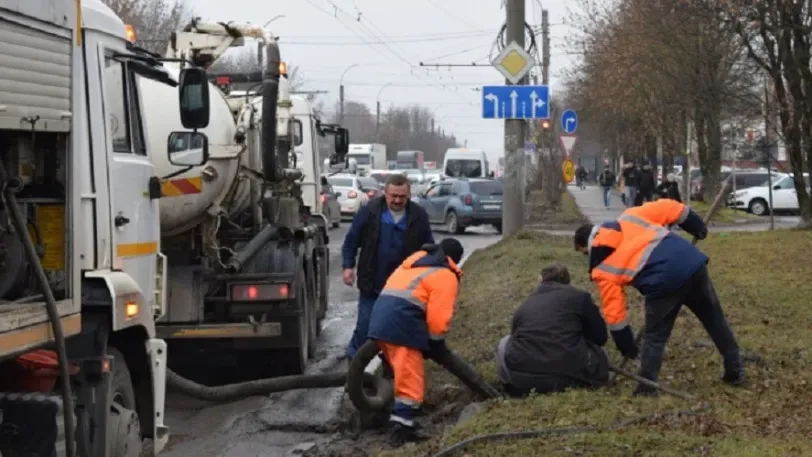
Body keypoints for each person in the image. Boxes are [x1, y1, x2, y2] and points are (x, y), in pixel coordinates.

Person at [572, 198, 745, 396]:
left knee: (655, 337)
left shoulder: (602, 269)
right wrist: (696, 226)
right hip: (691, 262)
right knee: (715, 321)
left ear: (586, 246)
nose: (587, 257)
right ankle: (735, 370)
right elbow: (671, 208)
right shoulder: (630, 217)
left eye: (584, 254)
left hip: (663, 283)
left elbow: (615, 315)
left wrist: (627, 346)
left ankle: (646, 388)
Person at [366, 239, 464, 446]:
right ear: (454, 260)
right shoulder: (445, 275)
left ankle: (395, 417)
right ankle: (401, 429)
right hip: (401, 327)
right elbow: (438, 318)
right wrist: (436, 343)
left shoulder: (414, 263)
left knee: (400, 374)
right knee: (411, 380)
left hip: (380, 322)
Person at [341, 173, 434, 360]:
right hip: (372, 284)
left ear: (408, 195)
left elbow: (428, 248)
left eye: (402, 197)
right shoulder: (370, 212)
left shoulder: (418, 216)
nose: (398, 200)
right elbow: (352, 240)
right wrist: (348, 266)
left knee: (397, 332)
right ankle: (354, 374)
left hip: (403, 289)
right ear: (385, 193)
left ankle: (390, 372)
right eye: (394, 196)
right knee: (366, 328)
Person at [495, 263, 610, 397]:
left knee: (503, 343)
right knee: (602, 353)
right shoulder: (580, 297)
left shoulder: (525, 304)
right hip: (570, 377)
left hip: (523, 380)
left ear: (541, 280)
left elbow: (515, 337)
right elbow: (600, 337)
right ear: (568, 281)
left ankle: (509, 389)